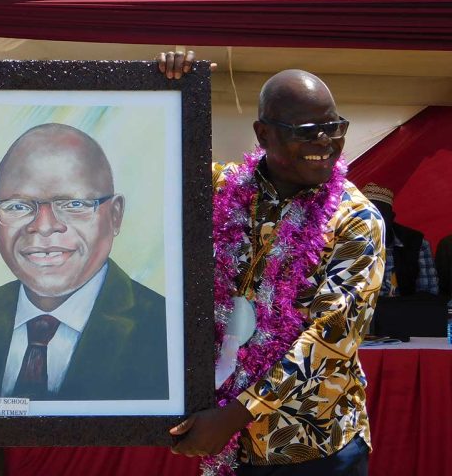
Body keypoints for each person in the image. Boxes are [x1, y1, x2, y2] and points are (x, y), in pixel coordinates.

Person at [160, 55, 385, 475]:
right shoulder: (221, 190)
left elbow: (331, 338)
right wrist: (169, 88)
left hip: (314, 446)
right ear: (263, 134)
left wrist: (234, 416)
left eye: (335, 127)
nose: (326, 142)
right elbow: (153, 164)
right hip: (228, 445)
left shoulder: (356, 219)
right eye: (307, 131)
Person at [0, 123, 168, 401]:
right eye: (18, 206)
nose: (44, 226)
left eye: (73, 204)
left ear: (115, 215)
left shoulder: (166, 332)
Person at [360, 182, 439, 297]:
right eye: (367, 216)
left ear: (391, 217)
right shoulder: (345, 243)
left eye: (379, 215)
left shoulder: (416, 243)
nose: (374, 221)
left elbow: (429, 294)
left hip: (406, 311)